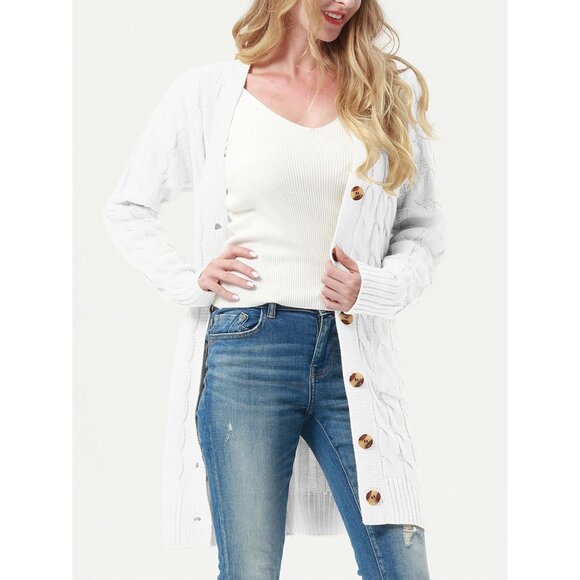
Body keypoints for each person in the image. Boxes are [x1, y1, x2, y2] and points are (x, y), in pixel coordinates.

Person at [103, 1, 447, 578]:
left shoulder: (386, 95)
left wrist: (373, 286)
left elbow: (423, 231)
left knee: (400, 566)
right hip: (247, 350)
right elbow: (128, 207)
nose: (346, 3)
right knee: (250, 570)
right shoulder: (208, 95)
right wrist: (190, 281)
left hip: (353, 357)